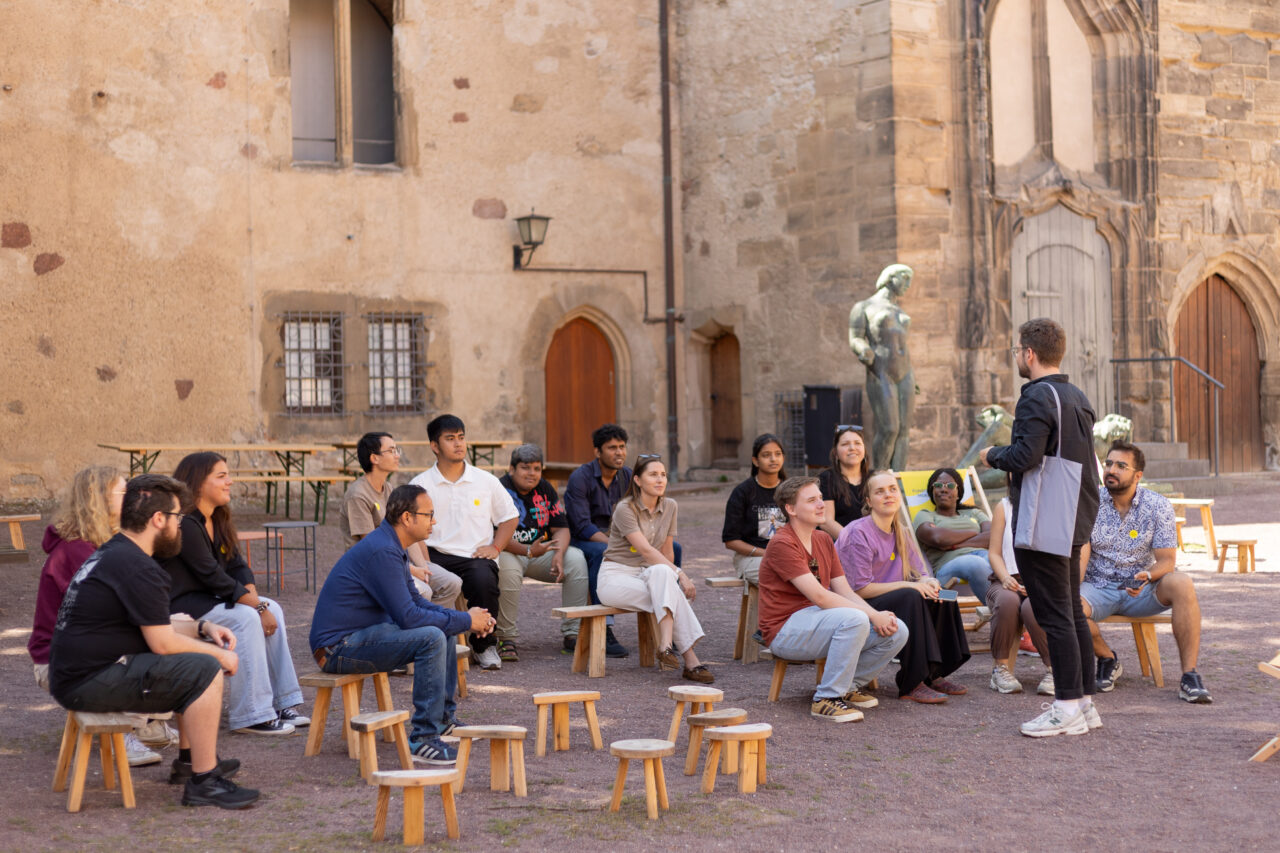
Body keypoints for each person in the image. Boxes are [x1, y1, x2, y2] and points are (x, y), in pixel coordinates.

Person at [49, 474, 259, 809]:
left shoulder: (117, 552)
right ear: (158, 519)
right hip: (88, 680)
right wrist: (221, 657)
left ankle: (190, 763)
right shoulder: (138, 568)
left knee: (194, 657)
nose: (181, 526)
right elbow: (161, 643)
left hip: (78, 672)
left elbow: (156, 627)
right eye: (178, 518)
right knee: (204, 668)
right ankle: (205, 782)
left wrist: (203, 628)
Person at [310, 484, 496, 765]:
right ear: (407, 518)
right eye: (429, 515)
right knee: (432, 636)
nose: (434, 521)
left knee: (441, 630)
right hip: (337, 647)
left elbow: (417, 604)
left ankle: (443, 722)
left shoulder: (392, 546)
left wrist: (464, 619)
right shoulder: (383, 550)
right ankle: (423, 739)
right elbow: (408, 617)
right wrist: (467, 620)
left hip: (358, 637)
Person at [981, 317, 1102, 737]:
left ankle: (1066, 705)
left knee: (1055, 615)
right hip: (1073, 514)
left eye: (1017, 351)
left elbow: (1025, 457)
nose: (1018, 357)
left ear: (1028, 354)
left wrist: (993, 454)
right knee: (1069, 612)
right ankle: (1084, 702)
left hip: (1046, 517)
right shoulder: (1076, 395)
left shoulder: (1036, 396)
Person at [29, 465, 171, 766]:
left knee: (169, 635)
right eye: (125, 493)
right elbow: (105, 616)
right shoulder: (76, 552)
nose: (133, 500)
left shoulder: (102, 544)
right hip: (57, 660)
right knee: (156, 644)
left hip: (81, 649)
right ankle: (126, 731)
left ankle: (147, 723)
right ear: (99, 500)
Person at [165, 453, 307, 735]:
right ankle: (251, 715)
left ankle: (281, 703)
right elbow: (213, 577)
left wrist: (260, 604)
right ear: (198, 482)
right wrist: (257, 608)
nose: (229, 481)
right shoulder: (186, 525)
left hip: (211, 601)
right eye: (221, 476)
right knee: (246, 617)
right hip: (185, 608)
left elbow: (238, 567)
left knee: (273, 608)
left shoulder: (217, 517)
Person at [759, 476, 908, 721]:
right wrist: (872, 614)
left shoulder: (823, 539)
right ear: (791, 509)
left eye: (820, 498)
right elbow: (819, 595)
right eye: (811, 500)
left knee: (897, 630)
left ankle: (847, 686)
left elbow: (845, 591)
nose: (821, 505)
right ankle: (826, 699)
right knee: (855, 619)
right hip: (785, 630)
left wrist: (879, 618)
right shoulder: (782, 543)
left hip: (819, 622)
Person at [1079, 441, 1211, 703]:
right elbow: (1082, 551)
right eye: (1108, 464)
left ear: (1137, 475)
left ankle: (1190, 676)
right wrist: (1071, 587)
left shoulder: (1158, 505)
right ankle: (1107, 659)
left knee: (1182, 583)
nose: (1111, 470)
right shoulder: (1090, 500)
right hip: (1097, 586)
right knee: (1067, 607)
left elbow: (1166, 560)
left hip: (1142, 588)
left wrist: (1149, 575)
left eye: (1120, 466)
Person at [837, 470, 970, 704]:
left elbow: (922, 572)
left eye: (892, 489)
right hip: (858, 605)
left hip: (888, 597)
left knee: (942, 595)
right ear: (869, 501)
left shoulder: (900, 531)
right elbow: (859, 590)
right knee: (911, 595)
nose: (888, 495)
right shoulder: (859, 532)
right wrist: (912, 586)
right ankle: (912, 682)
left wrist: (929, 582)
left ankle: (934, 674)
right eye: (880, 491)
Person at [409, 414, 518, 671]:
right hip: (435, 553)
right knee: (425, 583)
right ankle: (431, 645)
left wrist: (496, 547)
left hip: (474, 556)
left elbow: (510, 517)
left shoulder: (485, 480)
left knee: (484, 580)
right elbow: (412, 532)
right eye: (450, 439)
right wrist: (424, 563)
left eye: (461, 438)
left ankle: (484, 645)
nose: (458, 444)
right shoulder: (420, 484)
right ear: (435, 446)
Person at [565, 423, 684, 658]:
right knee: (601, 551)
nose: (619, 452)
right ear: (597, 452)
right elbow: (581, 525)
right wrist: (615, 544)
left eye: (622, 447)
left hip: (626, 539)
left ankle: (671, 622)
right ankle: (606, 627)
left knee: (674, 548)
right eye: (612, 448)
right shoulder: (581, 478)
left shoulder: (629, 476)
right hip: (587, 540)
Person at [597, 455, 712, 683]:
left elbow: (666, 553)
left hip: (649, 574)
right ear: (638, 480)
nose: (660, 480)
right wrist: (680, 575)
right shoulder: (624, 509)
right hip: (616, 577)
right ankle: (691, 661)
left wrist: (670, 574)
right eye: (653, 475)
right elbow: (646, 551)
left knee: (662, 575)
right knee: (670, 593)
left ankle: (665, 645)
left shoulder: (670, 506)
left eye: (663, 475)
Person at [338, 431, 463, 607]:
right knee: (423, 591)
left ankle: (435, 629)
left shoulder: (389, 489)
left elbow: (407, 532)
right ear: (374, 458)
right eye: (391, 451)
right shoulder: (358, 495)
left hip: (400, 560)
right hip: (374, 567)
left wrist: (423, 567)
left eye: (397, 450)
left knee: (452, 582)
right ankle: (418, 629)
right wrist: (411, 570)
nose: (397, 456)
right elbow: (372, 549)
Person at [496, 443, 590, 658]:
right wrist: (528, 551)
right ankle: (505, 638)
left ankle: (572, 634)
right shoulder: (498, 489)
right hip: (509, 550)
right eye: (525, 467)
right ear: (512, 469)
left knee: (575, 559)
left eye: (537, 469)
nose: (532, 474)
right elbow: (494, 536)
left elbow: (561, 528)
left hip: (541, 552)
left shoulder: (546, 489)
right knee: (508, 572)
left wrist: (558, 553)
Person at [986, 478, 1053, 696]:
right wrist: (1005, 577)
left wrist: (1039, 584)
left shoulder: (1054, 507)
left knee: (1032, 608)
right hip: (1005, 580)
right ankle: (1001, 670)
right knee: (1007, 601)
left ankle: (1055, 669)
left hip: (1043, 582)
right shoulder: (1004, 507)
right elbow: (994, 553)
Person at [848, 264, 916, 469]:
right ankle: (880, 474)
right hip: (880, 370)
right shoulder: (864, 307)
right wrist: (863, 350)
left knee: (904, 430)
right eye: (904, 279)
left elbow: (903, 346)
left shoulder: (899, 310)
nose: (907, 285)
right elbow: (855, 337)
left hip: (905, 372)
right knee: (889, 428)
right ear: (889, 277)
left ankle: (899, 481)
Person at [912, 467, 992, 603]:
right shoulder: (925, 515)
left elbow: (993, 537)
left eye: (950, 485)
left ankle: (1014, 604)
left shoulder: (974, 513)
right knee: (976, 563)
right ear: (932, 491)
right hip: (946, 574)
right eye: (938, 485)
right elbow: (937, 538)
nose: (943, 489)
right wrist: (973, 532)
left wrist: (954, 544)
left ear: (958, 492)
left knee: (997, 560)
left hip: (982, 560)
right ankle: (999, 609)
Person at [721, 433, 788, 585]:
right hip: (751, 559)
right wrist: (765, 553)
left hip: (786, 556)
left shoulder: (790, 492)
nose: (773, 459)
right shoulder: (742, 492)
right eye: (766, 455)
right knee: (779, 574)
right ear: (755, 461)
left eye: (778, 454)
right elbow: (730, 541)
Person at [818, 426, 869, 540]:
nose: (852, 448)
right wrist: (854, 542)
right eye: (845, 444)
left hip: (874, 546)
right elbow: (826, 521)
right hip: (840, 546)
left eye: (857, 443)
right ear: (835, 452)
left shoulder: (874, 478)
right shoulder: (826, 478)